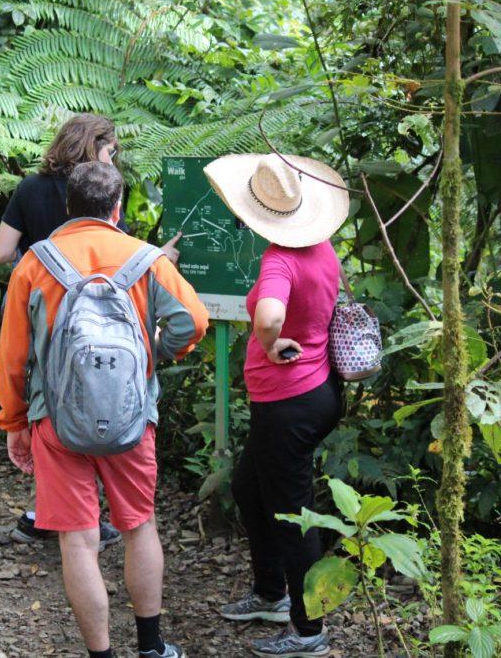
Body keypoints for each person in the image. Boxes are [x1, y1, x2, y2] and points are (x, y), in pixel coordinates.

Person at [0, 161, 209, 658]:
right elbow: (192, 323)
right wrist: (153, 354)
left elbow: (12, 355)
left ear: (69, 207)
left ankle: (101, 655)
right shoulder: (146, 258)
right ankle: (152, 646)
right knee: (138, 525)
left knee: (77, 538)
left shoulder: (36, 263)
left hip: (55, 419)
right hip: (132, 419)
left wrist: (13, 420)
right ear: (117, 208)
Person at [0, 113, 181, 547]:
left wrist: (36, 262)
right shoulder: (102, 190)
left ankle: (53, 511)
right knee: (99, 397)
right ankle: (94, 515)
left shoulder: (31, 188)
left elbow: (0, 252)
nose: (114, 160)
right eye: (111, 151)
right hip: (104, 331)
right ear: (97, 148)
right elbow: (119, 259)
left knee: (48, 409)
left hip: (42, 318)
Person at [204, 153, 350, 657]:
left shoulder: (278, 260)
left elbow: (269, 315)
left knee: (293, 513)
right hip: (313, 393)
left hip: (290, 400)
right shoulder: (320, 246)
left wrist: (268, 344)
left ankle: (309, 630)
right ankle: (271, 592)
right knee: (249, 486)